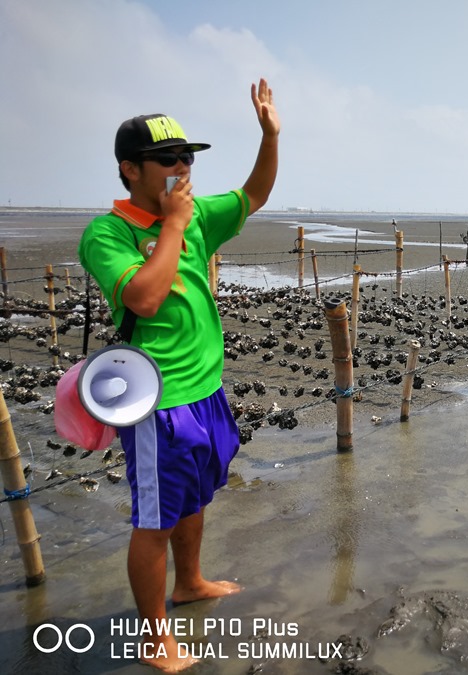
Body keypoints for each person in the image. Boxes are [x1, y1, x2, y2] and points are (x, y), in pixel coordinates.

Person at [78, 79, 280, 672]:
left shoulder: (194, 217)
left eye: (188, 157)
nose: (182, 167)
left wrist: (270, 136)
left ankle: (189, 581)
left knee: (192, 498)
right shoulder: (108, 233)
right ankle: (153, 637)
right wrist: (170, 226)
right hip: (155, 399)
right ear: (130, 169)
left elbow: (254, 194)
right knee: (154, 519)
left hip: (206, 391)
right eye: (168, 159)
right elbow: (142, 296)